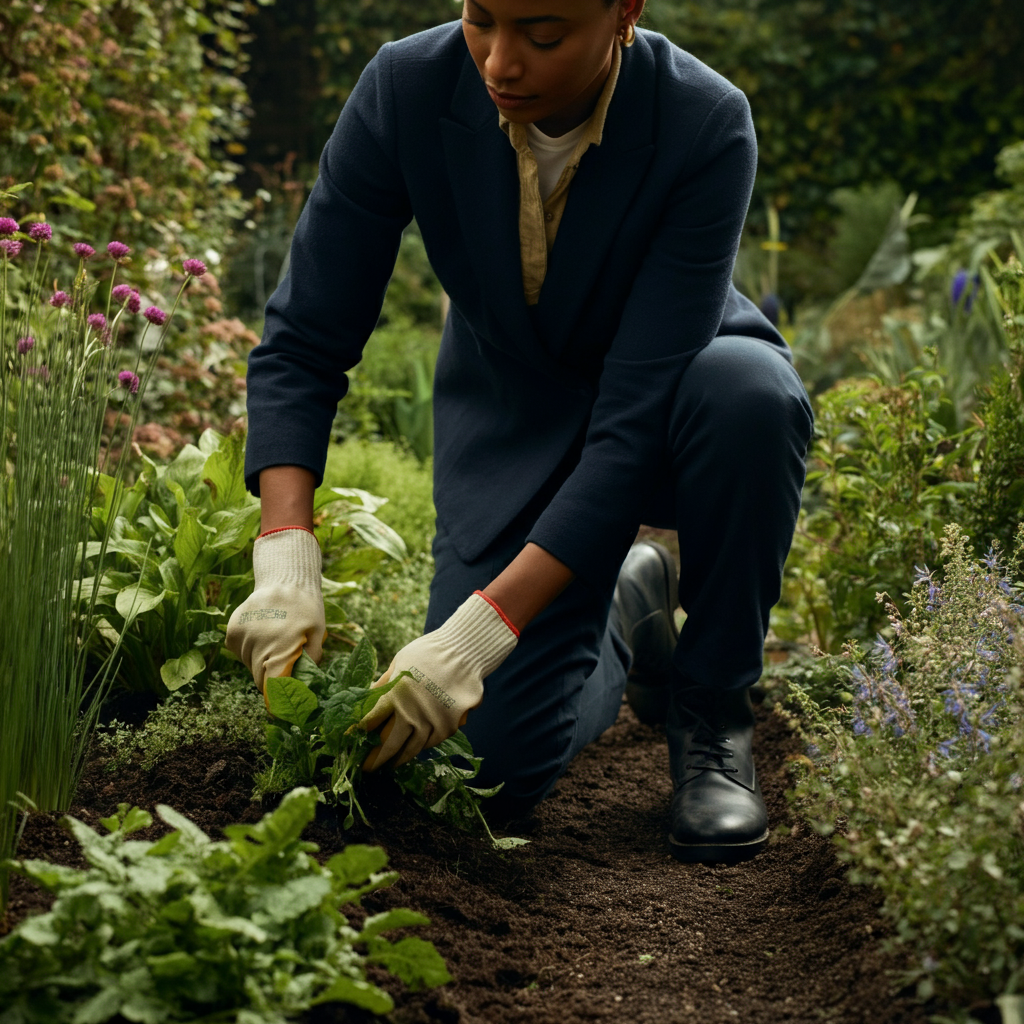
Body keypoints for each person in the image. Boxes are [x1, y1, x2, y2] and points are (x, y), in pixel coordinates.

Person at [226, 0, 813, 863]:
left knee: (752, 394)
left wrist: (477, 633)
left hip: (677, 400)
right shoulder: (406, 88)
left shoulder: (703, 119)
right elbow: (305, 340)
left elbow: (632, 425)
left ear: (623, 12)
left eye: (542, 35)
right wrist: (284, 552)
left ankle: (712, 709)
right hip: (515, 416)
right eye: (480, 19)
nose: (500, 63)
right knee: (485, 764)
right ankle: (624, 607)